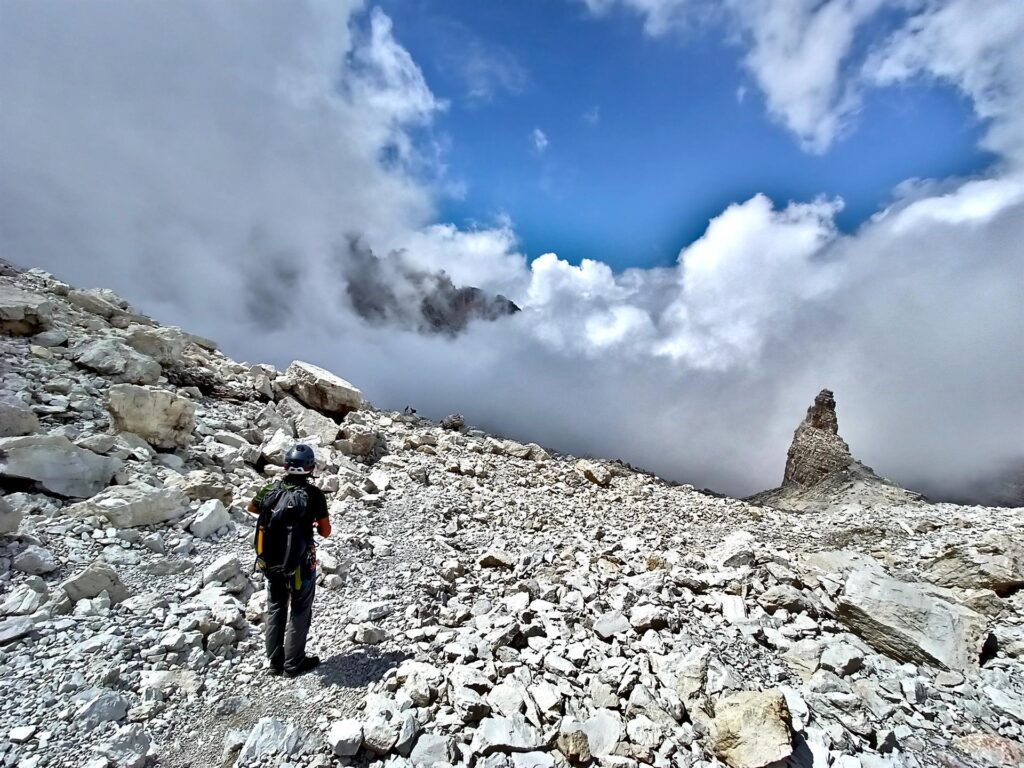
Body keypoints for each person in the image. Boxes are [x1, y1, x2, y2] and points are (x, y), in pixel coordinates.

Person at [246, 443, 331, 677]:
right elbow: (325, 531)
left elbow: (252, 507)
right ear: (310, 468)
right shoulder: (313, 495)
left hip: (270, 562)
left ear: (285, 466)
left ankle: (275, 663)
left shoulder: (270, 489)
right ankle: (294, 664)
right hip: (300, 563)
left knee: (275, 608)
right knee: (300, 609)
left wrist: (278, 517)